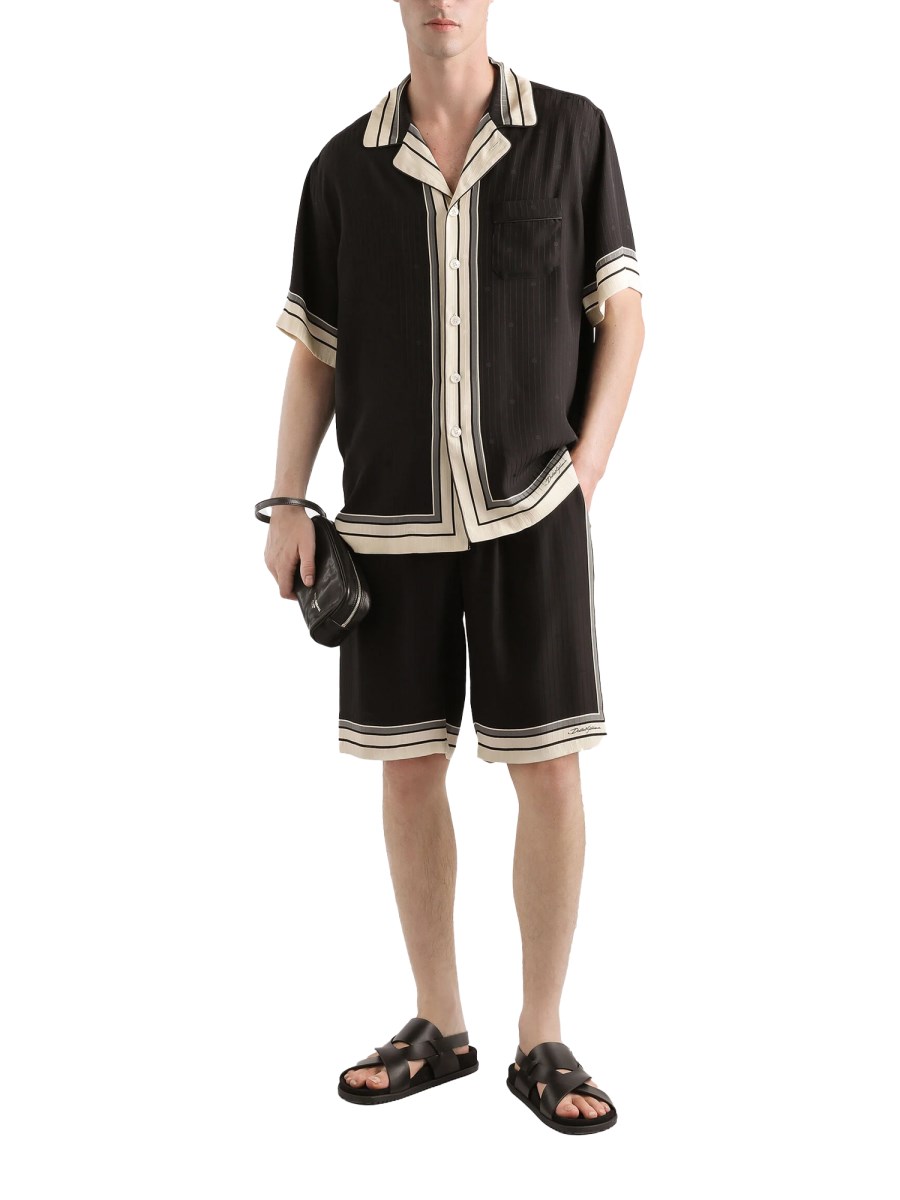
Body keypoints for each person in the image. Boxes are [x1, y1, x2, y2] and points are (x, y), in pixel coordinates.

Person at [263, 0, 644, 1135]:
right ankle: (440, 1024)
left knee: (551, 771)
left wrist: (583, 473)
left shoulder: (572, 134)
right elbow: (316, 355)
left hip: (532, 511)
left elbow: (623, 317)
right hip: (387, 524)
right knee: (407, 769)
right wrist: (288, 501)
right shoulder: (342, 169)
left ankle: (542, 1035)